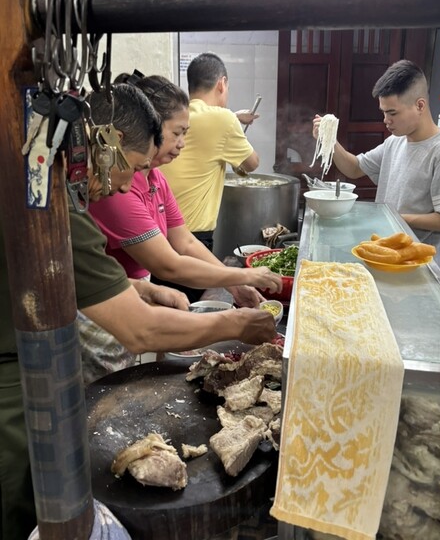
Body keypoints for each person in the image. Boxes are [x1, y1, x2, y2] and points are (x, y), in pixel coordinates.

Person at [0, 83, 276, 540]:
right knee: (20, 498)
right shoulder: (51, 199)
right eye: (133, 167)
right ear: (105, 145)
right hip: (10, 371)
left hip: (27, 348)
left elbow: (54, 274)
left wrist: (138, 288)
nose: (129, 184)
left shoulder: (54, 188)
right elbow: (140, 332)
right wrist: (235, 323)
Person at [88, 75, 282, 312]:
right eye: (177, 133)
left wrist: (236, 285)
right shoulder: (117, 187)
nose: (182, 143)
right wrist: (246, 276)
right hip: (112, 301)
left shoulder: (156, 178)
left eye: (185, 134)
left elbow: (186, 242)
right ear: (150, 128)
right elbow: (168, 265)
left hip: (135, 293)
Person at [312, 59, 440, 267]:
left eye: (392, 113)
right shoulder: (395, 142)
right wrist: (329, 140)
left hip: (416, 265)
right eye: (384, 112)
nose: (386, 120)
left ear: (420, 105)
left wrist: (394, 217)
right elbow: (354, 168)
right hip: (383, 255)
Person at [161, 52, 260, 251]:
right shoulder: (224, 119)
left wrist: (233, 117)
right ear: (221, 84)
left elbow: (203, 123)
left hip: (160, 232)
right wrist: (232, 121)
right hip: (192, 237)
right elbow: (252, 164)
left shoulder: (176, 114)